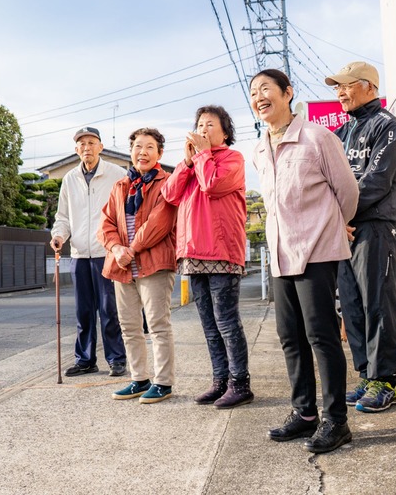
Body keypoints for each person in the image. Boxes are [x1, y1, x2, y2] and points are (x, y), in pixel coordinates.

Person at [250, 69, 359, 454]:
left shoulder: (317, 137)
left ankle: (336, 421)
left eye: (266, 89)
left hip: (316, 249)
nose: (259, 96)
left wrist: (332, 226)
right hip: (281, 254)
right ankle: (304, 414)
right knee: (290, 337)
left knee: (321, 336)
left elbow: (347, 191)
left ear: (288, 93)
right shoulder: (260, 147)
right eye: (253, 92)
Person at [322, 61, 396, 413]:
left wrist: (343, 214)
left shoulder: (388, 126)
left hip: (375, 226)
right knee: (352, 306)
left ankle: (385, 380)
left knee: (378, 301)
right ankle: (365, 375)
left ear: (370, 87)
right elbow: (327, 182)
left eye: (347, 85)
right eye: (337, 88)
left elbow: (377, 181)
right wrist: (334, 220)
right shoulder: (340, 133)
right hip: (343, 230)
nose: (340, 93)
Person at [162, 105, 252, 408]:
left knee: (226, 322)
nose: (203, 129)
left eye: (210, 124)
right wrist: (187, 162)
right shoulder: (192, 164)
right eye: (199, 124)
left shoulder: (232, 159)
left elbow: (213, 185)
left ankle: (240, 383)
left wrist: (201, 156)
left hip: (222, 252)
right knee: (209, 325)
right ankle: (220, 381)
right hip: (193, 251)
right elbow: (170, 195)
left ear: (225, 132)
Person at [100, 128, 178, 404]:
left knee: (157, 324)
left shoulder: (166, 183)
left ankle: (163, 382)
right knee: (130, 326)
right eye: (137, 147)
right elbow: (106, 224)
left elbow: (160, 223)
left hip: (154, 263)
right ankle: (139, 379)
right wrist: (116, 248)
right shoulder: (121, 185)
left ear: (159, 153)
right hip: (122, 266)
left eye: (149, 147)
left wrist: (130, 249)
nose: (142, 152)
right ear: (130, 151)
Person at [50, 126, 127, 377]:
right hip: (80, 254)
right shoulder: (69, 178)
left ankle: (116, 358)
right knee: (83, 312)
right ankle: (85, 360)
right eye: (82, 144)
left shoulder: (117, 174)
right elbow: (63, 217)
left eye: (91, 142)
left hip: (107, 253)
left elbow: (126, 212)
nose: (87, 148)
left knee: (109, 310)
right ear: (76, 150)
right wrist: (59, 236)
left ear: (101, 147)